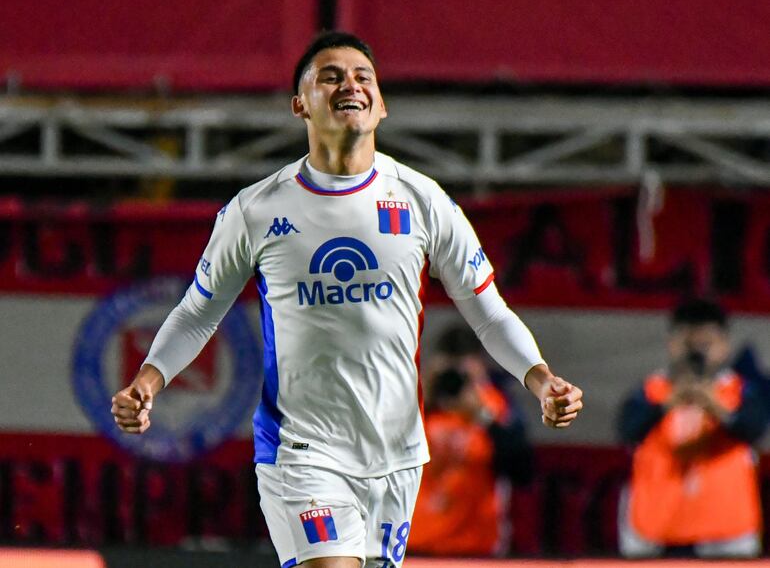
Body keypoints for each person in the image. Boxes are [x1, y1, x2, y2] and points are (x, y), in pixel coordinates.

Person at [110, 31, 583, 568]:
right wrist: (149, 380)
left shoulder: (423, 200)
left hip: (397, 455)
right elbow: (199, 311)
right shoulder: (256, 210)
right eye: (330, 76)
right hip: (303, 451)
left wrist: (541, 378)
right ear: (300, 104)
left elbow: (488, 310)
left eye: (363, 77)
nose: (349, 85)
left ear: (381, 105)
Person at [617, 299, 767, 559]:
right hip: (656, 534)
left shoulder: (741, 391)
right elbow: (628, 430)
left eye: (706, 344)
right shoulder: (652, 391)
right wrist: (667, 404)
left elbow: (754, 428)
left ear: (724, 345)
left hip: (726, 537)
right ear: (672, 344)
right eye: (688, 344)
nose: (696, 353)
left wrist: (717, 408)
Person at [409, 330, 534, 557]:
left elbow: (523, 471)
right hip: (414, 543)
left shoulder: (496, 406)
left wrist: (482, 416)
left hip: (475, 547)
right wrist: (421, 396)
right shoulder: (416, 405)